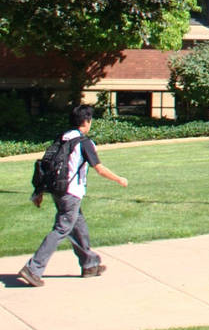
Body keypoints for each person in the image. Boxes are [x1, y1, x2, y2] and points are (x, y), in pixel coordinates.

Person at [16, 104, 127, 286]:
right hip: (71, 193)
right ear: (87, 121)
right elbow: (99, 168)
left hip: (58, 191)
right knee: (62, 228)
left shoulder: (61, 139)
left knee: (78, 226)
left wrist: (39, 192)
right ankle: (33, 269)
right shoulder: (84, 143)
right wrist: (119, 179)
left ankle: (90, 264)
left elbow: (46, 166)